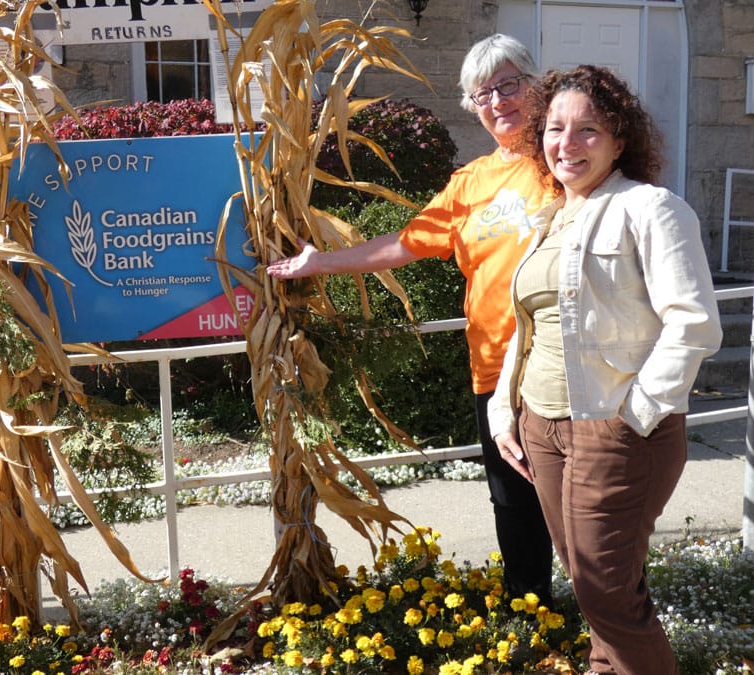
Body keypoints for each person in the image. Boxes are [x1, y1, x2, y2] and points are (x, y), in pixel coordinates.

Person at [266, 34, 555, 602]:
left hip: (561, 367)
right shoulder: (469, 183)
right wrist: (318, 261)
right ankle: (535, 614)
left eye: (509, 84)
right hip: (495, 370)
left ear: (536, 83)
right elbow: (405, 243)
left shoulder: (563, 161)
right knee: (512, 503)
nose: (498, 101)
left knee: (579, 503)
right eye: (483, 93)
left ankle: (615, 630)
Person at [487, 65, 722, 675]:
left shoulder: (651, 209)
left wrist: (635, 416)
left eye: (589, 130)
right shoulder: (549, 220)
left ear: (620, 140)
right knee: (592, 583)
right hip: (544, 430)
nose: (568, 144)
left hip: (614, 429)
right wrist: (505, 410)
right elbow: (530, 325)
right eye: (556, 129)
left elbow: (694, 323)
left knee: (606, 591)